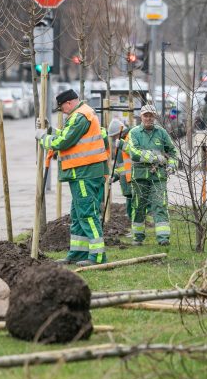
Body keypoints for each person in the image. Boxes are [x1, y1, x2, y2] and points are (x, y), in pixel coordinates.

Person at [36, 89, 110, 266]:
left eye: (61, 108)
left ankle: (98, 256)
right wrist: (49, 129)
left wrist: (43, 138)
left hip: (85, 173)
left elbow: (63, 142)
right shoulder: (79, 115)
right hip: (80, 173)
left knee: (87, 214)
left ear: (68, 103)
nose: (62, 111)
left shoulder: (81, 116)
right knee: (77, 215)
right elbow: (65, 134)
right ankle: (78, 252)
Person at [126, 103, 178, 246]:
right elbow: (134, 154)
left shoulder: (161, 133)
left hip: (158, 176)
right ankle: (138, 237)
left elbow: (173, 151)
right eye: (146, 115)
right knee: (138, 206)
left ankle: (163, 238)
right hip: (140, 176)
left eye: (151, 116)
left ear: (155, 117)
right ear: (141, 117)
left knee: (160, 204)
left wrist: (172, 165)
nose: (148, 118)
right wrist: (156, 158)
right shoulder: (134, 133)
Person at [106, 117, 133, 221]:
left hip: (134, 182)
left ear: (120, 132)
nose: (114, 139)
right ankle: (135, 231)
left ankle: (137, 233)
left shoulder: (130, 139)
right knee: (131, 209)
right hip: (127, 183)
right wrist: (115, 176)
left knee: (136, 210)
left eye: (114, 136)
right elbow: (121, 167)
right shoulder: (120, 144)